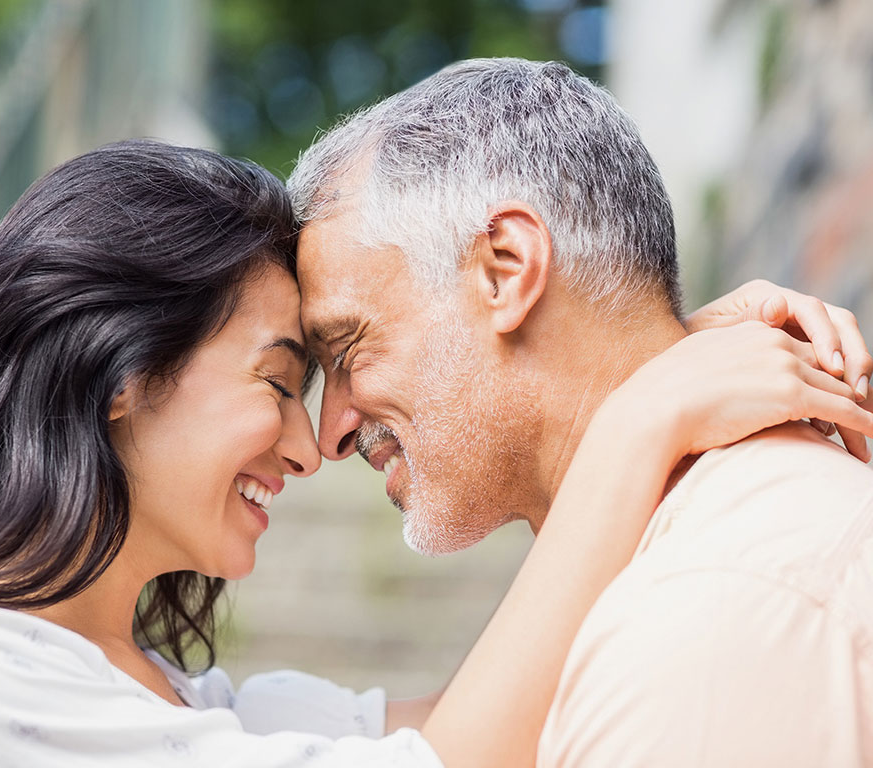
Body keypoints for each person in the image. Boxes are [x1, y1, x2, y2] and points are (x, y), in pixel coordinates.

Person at [0, 141, 867, 768]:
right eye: (280, 378)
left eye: (330, 367)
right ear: (121, 373)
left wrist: (661, 353)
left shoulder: (187, 703)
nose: (312, 442)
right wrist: (645, 413)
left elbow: (513, 712)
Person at [287, 57, 873, 766]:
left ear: (506, 269)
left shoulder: (703, 619)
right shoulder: (690, 574)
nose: (331, 432)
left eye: (347, 347)